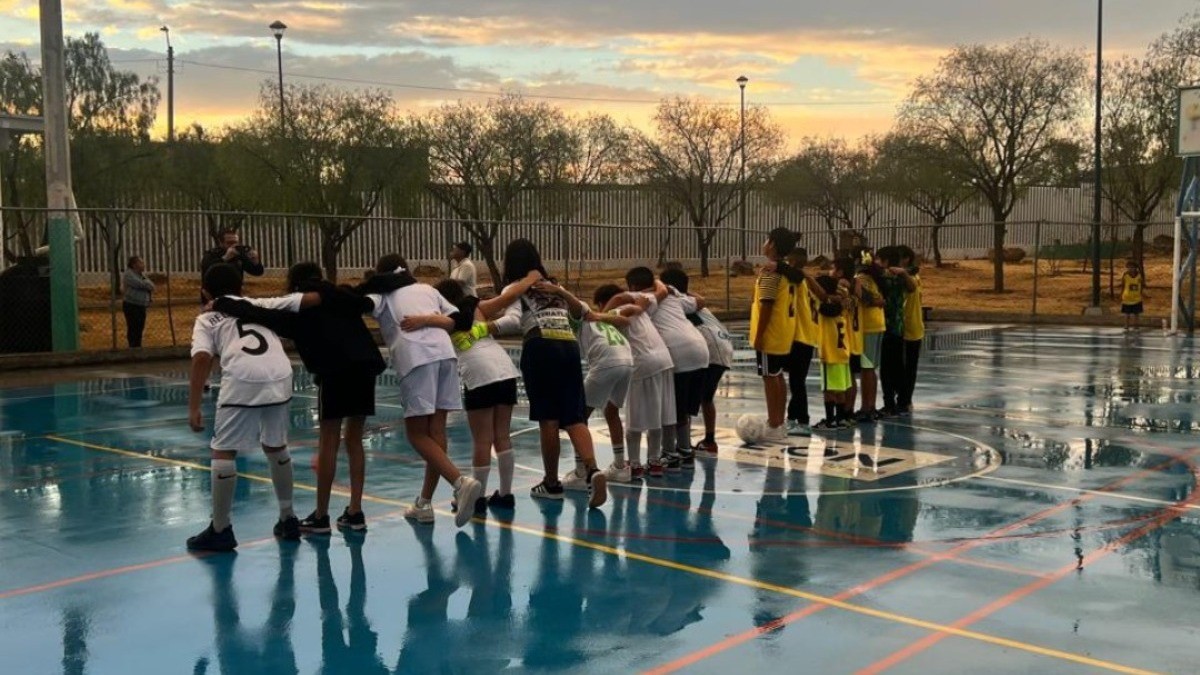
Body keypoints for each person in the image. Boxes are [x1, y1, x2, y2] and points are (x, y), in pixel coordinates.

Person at [211, 261, 387, 534]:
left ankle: (321, 515)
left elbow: (261, 313)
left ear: (294, 284)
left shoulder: (297, 312)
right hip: (366, 366)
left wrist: (223, 303)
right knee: (354, 440)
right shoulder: (342, 297)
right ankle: (355, 511)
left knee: (328, 440)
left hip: (335, 371)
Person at [185, 263, 312, 552]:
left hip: (243, 376)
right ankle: (288, 518)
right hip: (280, 373)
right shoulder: (258, 305)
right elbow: (301, 300)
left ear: (205, 292)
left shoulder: (207, 318)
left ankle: (220, 529)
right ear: (241, 287)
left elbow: (201, 358)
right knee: (276, 445)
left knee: (224, 450)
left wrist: (193, 406)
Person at [365, 254, 482, 528]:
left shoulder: (382, 296)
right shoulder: (428, 290)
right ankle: (424, 503)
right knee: (436, 431)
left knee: (417, 434)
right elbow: (457, 320)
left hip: (416, 358)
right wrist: (429, 319)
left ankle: (460, 482)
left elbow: (359, 304)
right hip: (445, 356)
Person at [491, 239, 607, 507]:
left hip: (540, 345)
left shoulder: (515, 288)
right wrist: (561, 292)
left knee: (549, 418)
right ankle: (592, 469)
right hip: (569, 345)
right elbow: (582, 312)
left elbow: (512, 320)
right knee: (574, 416)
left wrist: (485, 327)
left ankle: (552, 482)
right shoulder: (555, 286)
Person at [422, 273, 542, 517]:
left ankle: (476, 500)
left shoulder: (441, 318)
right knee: (502, 436)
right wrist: (529, 278)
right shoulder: (476, 307)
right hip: (504, 368)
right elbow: (509, 295)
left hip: (478, 374)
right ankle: (506, 495)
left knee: (482, 440)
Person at [543, 282, 637, 486]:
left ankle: (581, 472)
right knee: (611, 411)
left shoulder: (578, 312)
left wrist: (560, 291)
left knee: (577, 418)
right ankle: (620, 467)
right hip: (627, 361)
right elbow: (624, 320)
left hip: (607, 362)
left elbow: (576, 307)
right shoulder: (599, 317)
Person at [629, 266, 708, 471]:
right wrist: (669, 288)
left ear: (633, 286)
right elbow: (700, 301)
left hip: (678, 353)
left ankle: (670, 454)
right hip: (700, 351)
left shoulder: (641, 299)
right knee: (684, 409)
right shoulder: (674, 298)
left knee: (670, 407)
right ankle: (685, 450)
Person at [601, 285, 673, 480]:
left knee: (635, 417)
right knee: (655, 415)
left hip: (643, 361)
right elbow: (661, 291)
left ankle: (634, 464)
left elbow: (618, 301)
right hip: (664, 360)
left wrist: (603, 311)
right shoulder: (641, 302)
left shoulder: (617, 310)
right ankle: (655, 461)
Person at [675, 273, 734, 455]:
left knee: (686, 398)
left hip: (711, 350)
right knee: (706, 397)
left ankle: (684, 445)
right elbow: (701, 299)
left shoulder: (678, 304)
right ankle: (709, 440)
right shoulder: (693, 300)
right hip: (723, 347)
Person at [750, 228, 798, 443]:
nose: (764, 243)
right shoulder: (786, 272)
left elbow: (767, 306)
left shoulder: (771, 273)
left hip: (770, 334)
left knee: (770, 377)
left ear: (772, 245)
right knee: (777, 376)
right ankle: (779, 422)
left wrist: (759, 336)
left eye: (766, 239)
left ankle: (774, 423)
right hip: (783, 333)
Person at [876, 247, 917, 417]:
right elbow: (912, 287)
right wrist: (904, 273)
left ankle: (889, 404)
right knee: (897, 367)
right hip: (898, 328)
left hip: (886, 326)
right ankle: (902, 401)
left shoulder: (882, 277)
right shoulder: (901, 276)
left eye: (878, 259)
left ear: (885, 261)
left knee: (886, 369)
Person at [812, 275, 853, 431]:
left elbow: (819, 298)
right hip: (843, 352)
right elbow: (843, 293)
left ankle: (830, 421)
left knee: (828, 389)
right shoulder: (843, 306)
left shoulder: (823, 307)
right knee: (841, 388)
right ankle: (840, 419)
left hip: (829, 353)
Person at [853, 249, 887, 421]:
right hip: (877, 324)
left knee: (866, 368)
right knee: (870, 368)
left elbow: (865, 299)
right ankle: (870, 406)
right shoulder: (876, 277)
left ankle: (867, 407)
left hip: (868, 326)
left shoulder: (861, 278)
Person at [897, 246, 924, 415]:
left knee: (907, 368)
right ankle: (904, 399)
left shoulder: (910, 278)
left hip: (909, 328)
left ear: (906, 259)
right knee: (905, 367)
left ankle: (905, 400)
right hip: (912, 327)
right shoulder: (912, 276)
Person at [122, 255, 154, 348]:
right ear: (134, 264)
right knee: (133, 328)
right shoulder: (129, 274)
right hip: (132, 305)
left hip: (141, 305)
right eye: (141, 263)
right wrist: (146, 285)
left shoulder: (141, 275)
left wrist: (146, 284)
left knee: (140, 328)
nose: (143, 265)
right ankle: (133, 347)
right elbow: (140, 284)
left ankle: (138, 346)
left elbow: (151, 286)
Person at [1121, 259, 1145, 331]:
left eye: (1132, 267)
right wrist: (1121, 294)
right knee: (1127, 313)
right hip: (1127, 298)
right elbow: (1123, 285)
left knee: (1136, 313)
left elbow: (1141, 285)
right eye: (1129, 267)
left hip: (1137, 298)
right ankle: (1126, 325)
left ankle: (1136, 325)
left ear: (1136, 268)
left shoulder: (1139, 276)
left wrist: (1141, 293)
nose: (1131, 269)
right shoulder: (1125, 276)